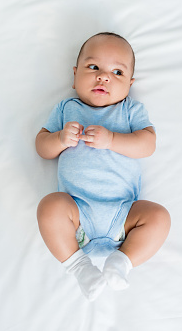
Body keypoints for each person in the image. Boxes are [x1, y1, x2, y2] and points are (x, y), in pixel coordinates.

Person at [36, 32, 171, 301]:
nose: (103, 76)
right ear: (75, 75)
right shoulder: (66, 108)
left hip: (123, 214)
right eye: (93, 67)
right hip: (77, 214)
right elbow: (42, 147)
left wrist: (112, 139)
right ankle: (79, 266)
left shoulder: (130, 110)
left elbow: (147, 145)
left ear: (130, 84)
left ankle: (121, 262)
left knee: (159, 217)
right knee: (49, 206)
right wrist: (60, 139)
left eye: (117, 72)